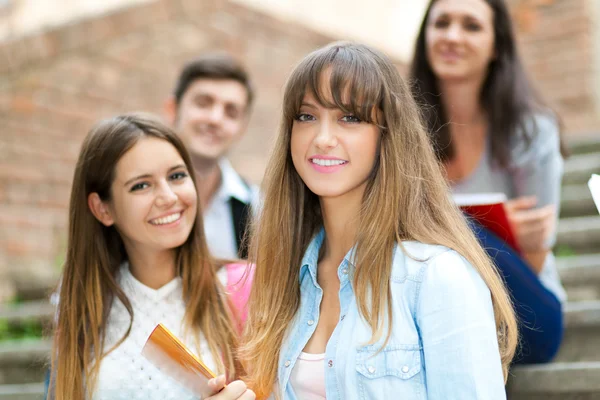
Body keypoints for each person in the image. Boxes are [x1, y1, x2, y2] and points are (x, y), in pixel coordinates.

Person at [237, 42, 518, 399]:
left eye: (350, 118)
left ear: (388, 136)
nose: (322, 139)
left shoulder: (435, 275)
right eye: (306, 116)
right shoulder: (283, 278)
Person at [47, 113, 254, 400]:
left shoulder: (244, 288)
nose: (168, 196)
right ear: (102, 209)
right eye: (141, 185)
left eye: (177, 176)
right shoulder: (83, 308)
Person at [410, 0, 568, 363]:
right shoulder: (403, 132)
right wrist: (497, 225)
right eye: (442, 23)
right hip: (431, 309)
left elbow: (537, 254)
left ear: (497, 45)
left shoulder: (531, 131)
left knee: (452, 225)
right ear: (425, 37)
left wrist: (488, 235)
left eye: (471, 26)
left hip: (526, 312)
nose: (452, 36)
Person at [164, 53, 259, 260]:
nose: (216, 119)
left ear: (242, 128)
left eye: (231, 112)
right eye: (203, 103)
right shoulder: (133, 195)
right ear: (173, 109)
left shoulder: (257, 210)